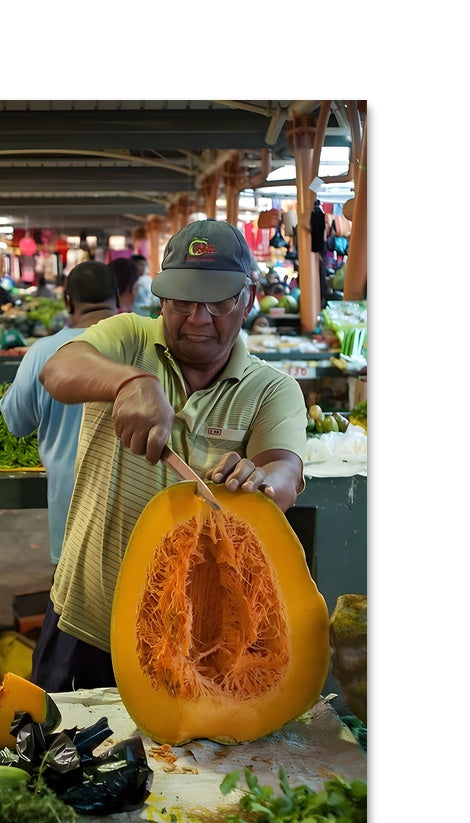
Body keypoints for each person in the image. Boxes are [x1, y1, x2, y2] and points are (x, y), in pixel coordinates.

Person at [31, 219, 308, 692]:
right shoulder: (129, 339)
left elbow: (285, 469)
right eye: (182, 300)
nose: (198, 318)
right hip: (85, 621)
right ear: (161, 300)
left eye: (218, 301)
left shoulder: (271, 389)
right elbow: (59, 367)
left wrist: (260, 481)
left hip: (198, 640)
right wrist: (130, 382)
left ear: (249, 298)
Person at [0, 261, 119, 566]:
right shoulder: (145, 344)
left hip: (70, 498)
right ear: (118, 296)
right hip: (135, 498)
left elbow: (16, 422)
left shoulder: (44, 351)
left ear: (68, 301)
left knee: (71, 598)